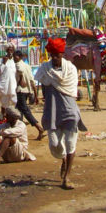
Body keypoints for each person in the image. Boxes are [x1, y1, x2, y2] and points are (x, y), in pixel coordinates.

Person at [35, 37, 86, 190]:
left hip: (69, 110)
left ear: (62, 54)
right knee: (55, 144)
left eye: (58, 55)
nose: (56, 58)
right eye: (53, 55)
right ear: (50, 55)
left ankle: (67, 177)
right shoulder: (45, 69)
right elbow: (42, 85)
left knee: (71, 143)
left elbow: (71, 89)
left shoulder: (70, 69)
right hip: (52, 110)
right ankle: (63, 159)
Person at [13, 50, 44, 139]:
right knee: (19, 111)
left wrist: (20, 80)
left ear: (20, 57)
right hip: (27, 91)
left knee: (25, 111)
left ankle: (39, 127)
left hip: (20, 91)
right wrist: (35, 94)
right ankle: (19, 132)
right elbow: (32, 81)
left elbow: (20, 73)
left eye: (16, 57)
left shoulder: (18, 66)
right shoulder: (27, 66)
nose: (15, 58)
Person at [0, 44, 17, 115]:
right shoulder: (2, 60)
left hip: (13, 85)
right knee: (4, 104)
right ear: (6, 50)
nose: (10, 51)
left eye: (12, 49)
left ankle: (16, 119)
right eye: (9, 49)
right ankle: (3, 119)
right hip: (4, 86)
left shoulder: (15, 60)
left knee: (16, 102)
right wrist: (4, 62)